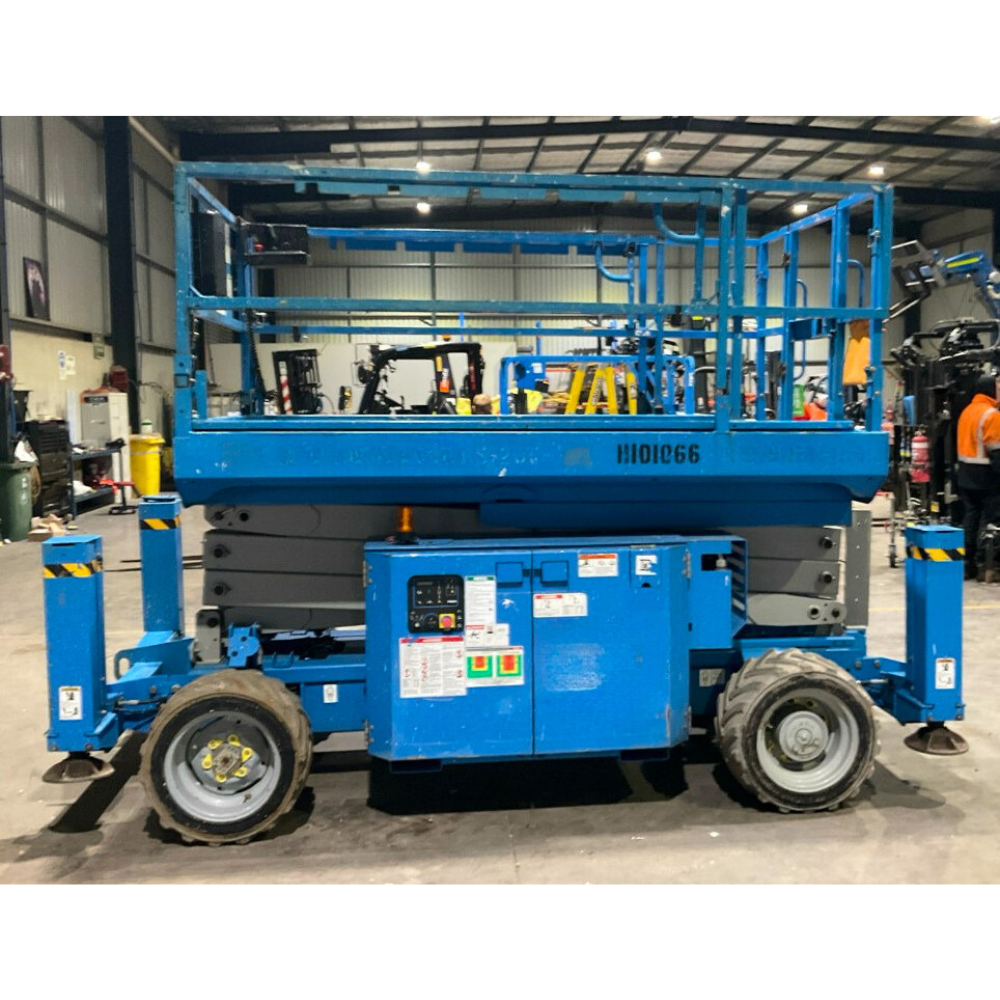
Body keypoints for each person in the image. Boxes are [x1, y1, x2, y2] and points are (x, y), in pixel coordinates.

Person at [956, 373, 1000, 580]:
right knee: (989, 519)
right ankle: (987, 565)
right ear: (990, 390)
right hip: (986, 475)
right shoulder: (992, 415)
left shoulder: (967, 411)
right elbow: (996, 451)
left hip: (965, 474)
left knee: (971, 517)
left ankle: (968, 564)